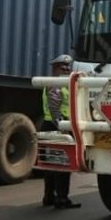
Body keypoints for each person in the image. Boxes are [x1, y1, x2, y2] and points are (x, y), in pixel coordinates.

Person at [41, 54, 81, 209]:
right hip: (57, 126)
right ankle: (62, 199)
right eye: (62, 67)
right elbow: (54, 107)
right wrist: (63, 129)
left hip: (52, 125)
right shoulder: (57, 85)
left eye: (67, 67)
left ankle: (49, 197)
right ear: (55, 68)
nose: (66, 69)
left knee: (51, 165)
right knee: (63, 166)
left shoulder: (62, 83)